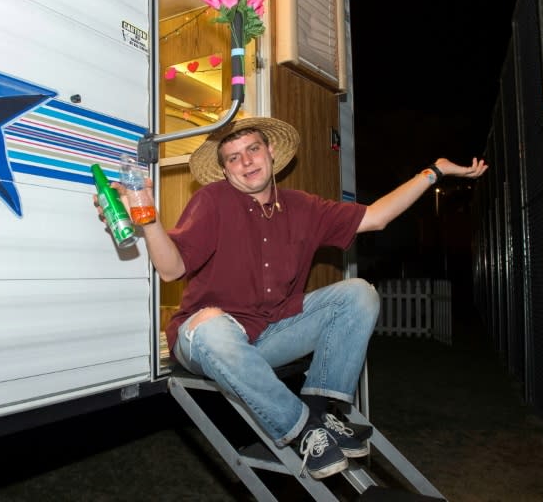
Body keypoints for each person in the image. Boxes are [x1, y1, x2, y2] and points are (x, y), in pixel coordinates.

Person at [95, 117, 487, 479]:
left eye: (252, 150)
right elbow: (171, 269)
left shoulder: (303, 207)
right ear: (226, 169)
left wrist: (433, 171)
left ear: (270, 154)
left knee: (358, 293)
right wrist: (147, 221)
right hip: (208, 341)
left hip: (268, 335)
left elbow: (376, 217)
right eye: (233, 158)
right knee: (212, 324)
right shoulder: (212, 201)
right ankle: (303, 429)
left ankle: (321, 410)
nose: (245, 162)